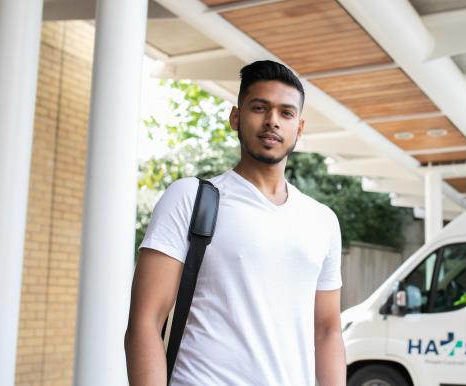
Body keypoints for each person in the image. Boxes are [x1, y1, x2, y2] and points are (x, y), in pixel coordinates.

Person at [124, 60, 346, 386]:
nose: (272, 121)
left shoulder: (322, 221)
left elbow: (327, 330)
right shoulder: (190, 199)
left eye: (286, 113)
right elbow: (145, 320)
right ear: (236, 117)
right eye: (259, 108)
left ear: (299, 128)